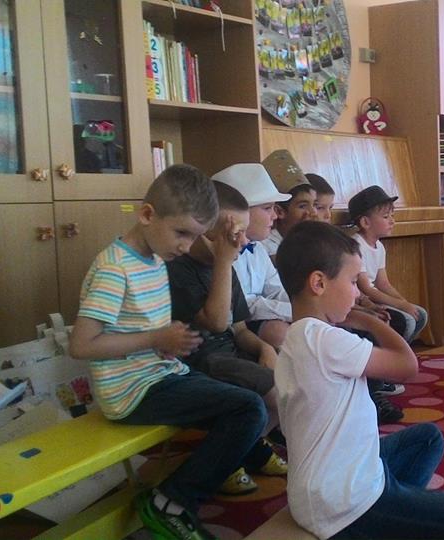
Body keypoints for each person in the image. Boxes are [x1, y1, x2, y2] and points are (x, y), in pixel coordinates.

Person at [69, 164, 271, 539]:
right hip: (132, 391)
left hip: (161, 375)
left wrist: (170, 343)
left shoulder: (154, 259)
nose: (186, 246)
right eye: (182, 233)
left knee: (246, 405)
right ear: (147, 215)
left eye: (194, 236)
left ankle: (237, 461)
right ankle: (172, 501)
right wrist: (155, 339)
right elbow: (81, 344)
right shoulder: (115, 269)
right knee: (248, 409)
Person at [274, 220, 444, 540]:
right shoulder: (324, 340)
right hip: (343, 504)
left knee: (427, 438)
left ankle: (394, 516)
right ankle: (384, 520)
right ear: (319, 283)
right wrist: (366, 320)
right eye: (353, 281)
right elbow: (407, 365)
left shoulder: (298, 338)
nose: (357, 292)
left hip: (328, 483)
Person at [166, 181, 288, 495]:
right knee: (277, 392)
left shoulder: (226, 268)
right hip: (199, 360)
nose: (243, 243)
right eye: (235, 234)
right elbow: (218, 322)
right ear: (205, 233)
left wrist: (264, 347)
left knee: (291, 377)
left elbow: (239, 329)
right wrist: (223, 260)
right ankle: (227, 456)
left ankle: (246, 446)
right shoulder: (180, 270)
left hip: (229, 352)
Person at [212, 163, 294, 349]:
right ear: (239, 213)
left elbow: (275, 289)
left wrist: (304, 307)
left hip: (260, 317)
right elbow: (245, 304)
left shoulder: (258, 248)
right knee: (279, 332)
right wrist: (292, 311)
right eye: (267, 208)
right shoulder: (223, 252)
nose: (275, 216)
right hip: (236, 326)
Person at [349, 185, 428, 343]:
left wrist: (404, 302)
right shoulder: (356, 245)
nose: (392, 221)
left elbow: (383, 283)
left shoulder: (379, 246)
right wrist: (400, 305)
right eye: (386, 217)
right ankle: (392, 353)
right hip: (363, 300)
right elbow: (366, 288)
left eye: (392, 215)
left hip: (375, 296)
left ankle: (402, 352)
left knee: (420, 314)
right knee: (407, 321)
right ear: (365, 222)